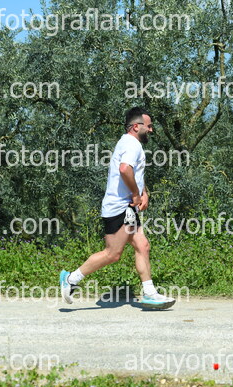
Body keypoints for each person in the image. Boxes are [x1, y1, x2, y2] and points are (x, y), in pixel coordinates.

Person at [59, 107, 175, 309]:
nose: (151, 130)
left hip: (127, 207)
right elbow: (124, 169)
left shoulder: (129, 143)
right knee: (112, 254)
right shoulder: (132, 144)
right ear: (136, 126)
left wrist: (143, 192)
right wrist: (136, 194)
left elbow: (134, 172)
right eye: (148, 126)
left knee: (142, 246)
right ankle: (70, 279)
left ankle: (150, 293)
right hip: (119, 208)